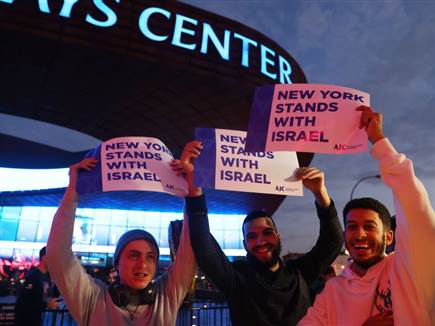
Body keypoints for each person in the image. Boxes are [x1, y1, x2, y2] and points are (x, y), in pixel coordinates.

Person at [171, 143, 344, 325]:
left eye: (267, 232)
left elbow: (332, 242)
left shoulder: (299, 273)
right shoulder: (236, 278)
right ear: (245, 244)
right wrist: (195, 190)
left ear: (278, 236)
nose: (261, 241)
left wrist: (320, 193)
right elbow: (204, 249)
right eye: (252, 237)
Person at [299, 106, 435, 325]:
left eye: (370, 226)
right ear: (345, 235)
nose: (359, 234)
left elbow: (415, 206)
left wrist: (379, 141)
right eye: (352, 226)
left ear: (389, 237)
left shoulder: (406, 271)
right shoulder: (333, 291)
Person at [46, 158, 196, 325]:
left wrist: (192, 189)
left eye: (150, 257)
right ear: (117, 263)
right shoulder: (92, 298)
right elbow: (57, 254)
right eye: (133, 255)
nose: (142, 265)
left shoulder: (166, 296)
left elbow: (190, 249)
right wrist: (73, 190)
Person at [14, 246, 60, 326]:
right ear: (44, 257)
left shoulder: (44, 277)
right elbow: (24, 301)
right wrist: (47, 305)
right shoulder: (33, 276)